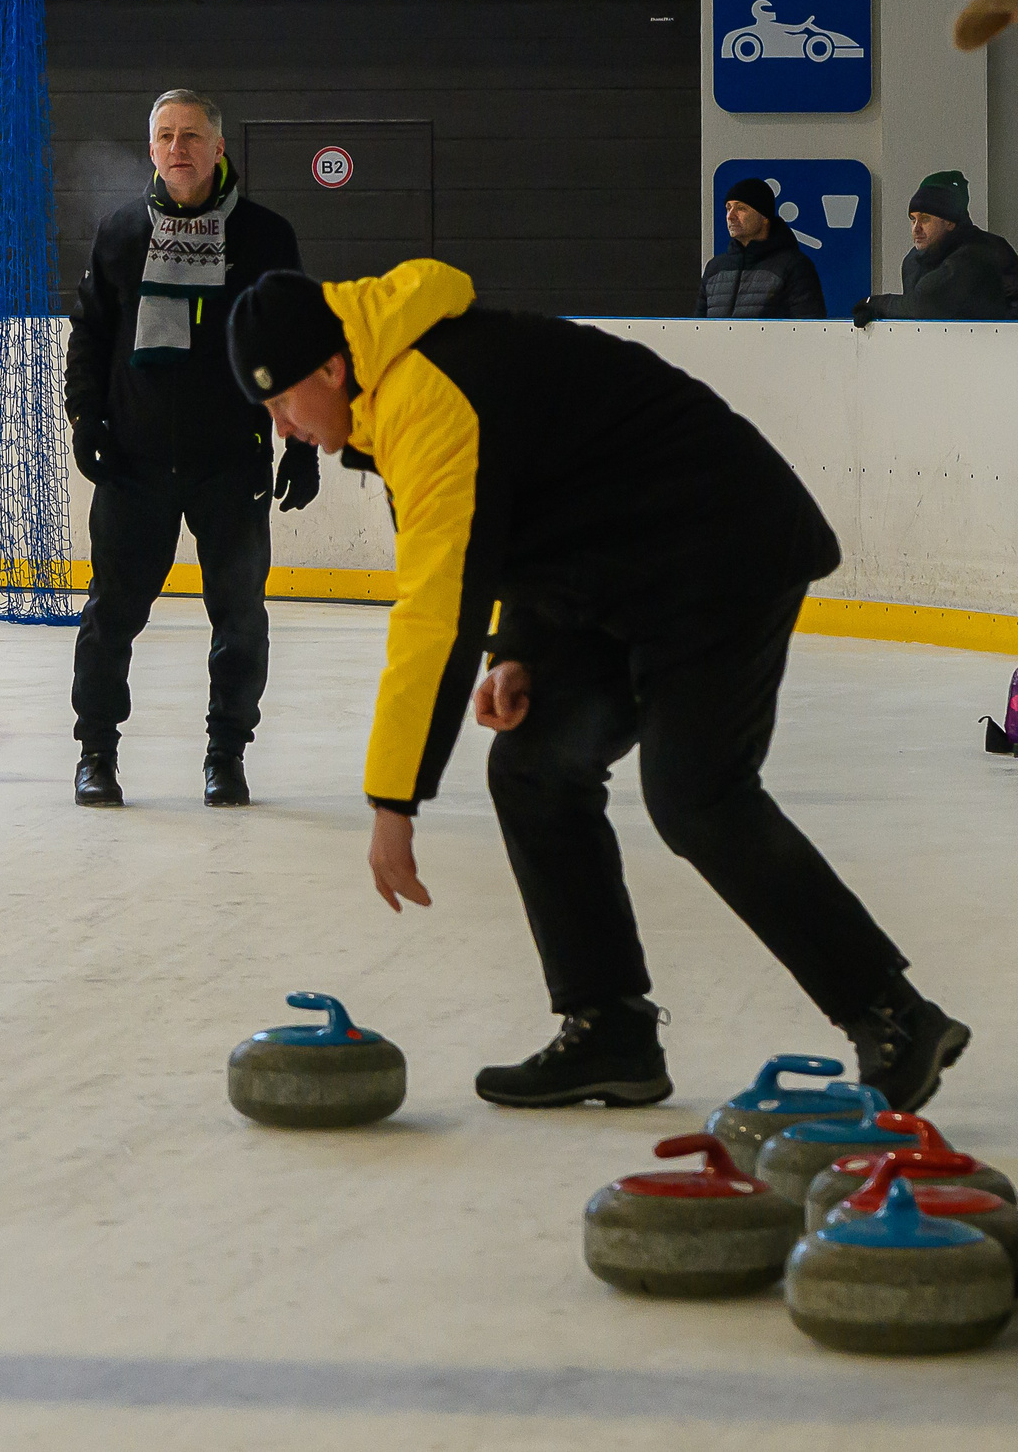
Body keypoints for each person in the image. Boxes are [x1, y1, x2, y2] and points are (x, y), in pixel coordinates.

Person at [226, 260, 970, 1113]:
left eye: (281, 401)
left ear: (330, 368)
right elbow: (528, 510)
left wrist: (393, 800)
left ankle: (894, 1015)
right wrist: (520, 651)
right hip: (629, 568)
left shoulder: (427, 395)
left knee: (698, 795)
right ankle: (609, 1026)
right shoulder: (396, 382)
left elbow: (434, 613)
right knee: (534, 766)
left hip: (720, 548)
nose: (282, 426)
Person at [64, 89, 315, 811]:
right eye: (166, 137)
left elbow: (296, 341)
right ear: (152, 149)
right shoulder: (120, 233)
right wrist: (86, 419)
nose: (178, 148)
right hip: (133, 465)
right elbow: (91, 334)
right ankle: (96, 755)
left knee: (239, 619)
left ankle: (226, 756)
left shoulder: (265, 237)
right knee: (110, 618)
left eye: (192, 136)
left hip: (230, 464)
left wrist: (302, 443)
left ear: (218, 148)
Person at [850, 172, 1018, 324]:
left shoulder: (978, 253)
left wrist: (874, 304)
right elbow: (915, 314)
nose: (916, 228)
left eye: (925, 219)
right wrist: (879, 311)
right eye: (913, 219)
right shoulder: (913, 260)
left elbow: (924, 303)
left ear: (950, 223)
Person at [695, 177, 826, 319]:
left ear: (764, 216)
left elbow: (809, 326)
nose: (730, 216)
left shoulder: (794, 266)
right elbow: (697, 327)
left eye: (741, 208)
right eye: (728, 208)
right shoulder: (714, 268)